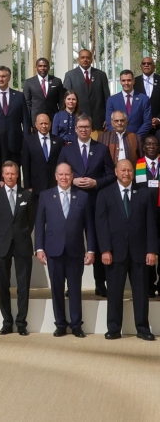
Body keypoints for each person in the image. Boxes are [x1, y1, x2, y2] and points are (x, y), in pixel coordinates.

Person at [95, 159, 158, 340]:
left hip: (140, 253)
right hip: (114, 253)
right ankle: (114, 328)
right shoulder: (104, 194)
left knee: (141, 293)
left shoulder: (145, 193)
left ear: (133, 172)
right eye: (122, 170)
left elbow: (151, 224)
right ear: (116, 172)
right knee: (114, 293)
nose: (126, 173)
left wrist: (152, 250)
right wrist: (105, 250)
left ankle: (143, 329)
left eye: (129, 170)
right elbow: (101, 225)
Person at [35, 162, 97, 337]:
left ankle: (76, 325)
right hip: (53, 251)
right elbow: (39, 224)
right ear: (56, 176)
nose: (64, 177)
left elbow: (89, 226)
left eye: (67, 174)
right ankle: (60, 324)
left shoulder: (82, 197)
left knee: (75, 289)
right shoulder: (46, 196)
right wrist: (39, 248)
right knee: (56, 290)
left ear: (72, 176)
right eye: (61, 174)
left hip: (75, 251)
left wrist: (91, 250)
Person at [57, 114, 115, 297]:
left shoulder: (101, 149)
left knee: (97, 242)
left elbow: (111, 176)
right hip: (73, 202)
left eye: (87, 127)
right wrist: (72, 181)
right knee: (72, 243)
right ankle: (71, 285)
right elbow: (59, 173)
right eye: (80, 127)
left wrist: (96, 182)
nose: (83, 130)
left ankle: (100, 284)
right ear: (75, 129)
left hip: (96, 202)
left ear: (91, 129)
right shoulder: (67, 150)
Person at [0, 161, 36, 336]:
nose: (10, 176)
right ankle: (7, 322)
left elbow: (31, 220)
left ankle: (21, 323)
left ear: (18, 175)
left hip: (22, 245)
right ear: (3, 175)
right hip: (2, 246)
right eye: (7, 173)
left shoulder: (27, 195)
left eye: (13, 173)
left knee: (23, 285)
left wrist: (21, 234)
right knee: (3, 286)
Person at [0, 66, 29, 162]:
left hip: (14, 144)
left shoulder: (19, 96)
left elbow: (25, 120)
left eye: (3, 76)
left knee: (14, 170)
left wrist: (27, 142)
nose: (1, 79)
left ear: (9, 78)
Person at [134, 135, 160, 297]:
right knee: (148, 248)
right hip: (145, 212)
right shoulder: (137, 165)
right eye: (148, 144)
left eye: (155, 144)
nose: (151, 146)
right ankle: (149, 284)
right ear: (143, 147)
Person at [63, 48, 111, 134]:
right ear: (78, 59)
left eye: (88, 58)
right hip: (77, 121)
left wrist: (108, 118)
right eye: (83, 57)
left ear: (91, 60)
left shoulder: (101, 75)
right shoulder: (70, 75)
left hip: (98, 122)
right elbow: (66, 99)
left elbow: (107, 98)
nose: (85, 60)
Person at [22, 113, 64, 199]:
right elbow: (26, 165)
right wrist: (28, 186)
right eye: (41, 123)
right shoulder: (28, 141)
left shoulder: (58, 141)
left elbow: (62, 163)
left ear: (50, 124)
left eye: (46, 123)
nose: (44, 126)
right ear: (36, 125)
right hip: (36, 187)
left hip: (54, 185)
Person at [105, 70, 151, 139]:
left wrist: (136, 137)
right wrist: (118, 137)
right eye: (123, 80)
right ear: (120, 82)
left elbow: (147, 122)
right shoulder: (112, 100)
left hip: (138, 139)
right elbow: (109, 122)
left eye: (129, 80)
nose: (126, 83)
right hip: (117, 140)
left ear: (133, 81)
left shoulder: (144, 99)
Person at [135, 56, 160, 136]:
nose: (146, 65)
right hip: (139, 125)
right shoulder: (134, 82)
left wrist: (158, 119)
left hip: (158, 126)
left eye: (149, 63)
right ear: (141, 66)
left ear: (154, 66)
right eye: (144, 63)